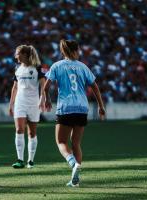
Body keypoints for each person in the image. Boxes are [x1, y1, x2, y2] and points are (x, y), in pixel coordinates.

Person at [43, 39, 105, 187]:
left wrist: (47, 100)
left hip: (65, 108)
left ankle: (73, 164)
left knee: (61, 142)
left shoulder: (57, 66)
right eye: (78, 50)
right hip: (82, 108)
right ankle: (75, 179)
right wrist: (101, 106)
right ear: (75, 51)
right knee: (76, 143)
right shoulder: (83, 67)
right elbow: (95, 87)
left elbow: (45, 87)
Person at [9, 44, 45, 169]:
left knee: (32, 132)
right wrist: (11, 104)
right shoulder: (17, 68)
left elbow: (43, 85)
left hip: (34, 103)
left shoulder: (37, 67)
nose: (15, 56)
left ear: (24, 55)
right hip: (20, 102)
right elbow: (15, 87)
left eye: (17, 53)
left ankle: (30, 160)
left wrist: (42, 99)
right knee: (19, 130)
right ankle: (20, 160)